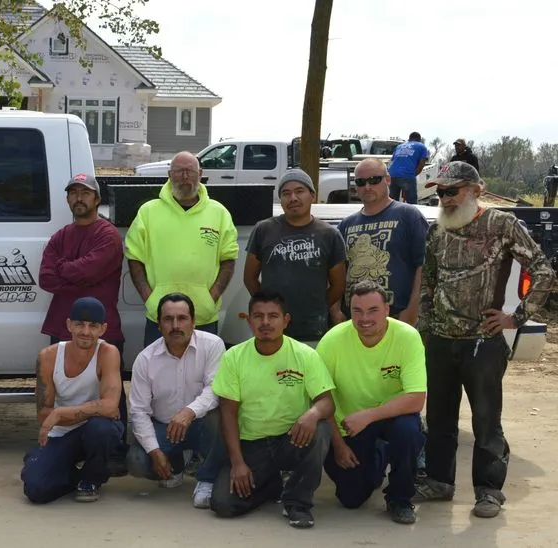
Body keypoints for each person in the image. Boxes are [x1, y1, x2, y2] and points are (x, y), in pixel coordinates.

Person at [415, 161, 556, 518]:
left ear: (476, 190)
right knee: (440, 418)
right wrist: (426, 326)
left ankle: (489, 491)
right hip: (441, 341)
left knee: (486, 421)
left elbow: (543, 271)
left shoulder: (502, 225)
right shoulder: (437, 231)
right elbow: (429, 281)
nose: (444, 198)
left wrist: (516, 318)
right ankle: (439, 482)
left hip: (484, 341)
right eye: (440, 192)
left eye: (452, 190)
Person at [210, 292, 335, 529]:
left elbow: (327, 402)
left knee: (321, 428)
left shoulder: (305, 355)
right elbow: (227, 413)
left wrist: (312, 413)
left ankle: (298, 503)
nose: (265, 322)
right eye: (258, 316)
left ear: (286, 320)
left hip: (292, 439)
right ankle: (271, 485)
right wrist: (238, 462)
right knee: (223, 504)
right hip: (252, 445)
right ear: (249, 321)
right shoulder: (234, 357)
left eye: (273, 316)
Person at [39, 173, 128, 474]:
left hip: (104, 328)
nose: (79, 197)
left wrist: (64, 269)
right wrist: (73, 274)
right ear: (67, 199)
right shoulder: (60, 236)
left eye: (85, 192)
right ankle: (62, 444)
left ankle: (115, 454)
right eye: (73, 192)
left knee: (111, 393)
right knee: (58, 389)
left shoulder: (108, 235)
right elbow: (45, 278)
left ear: (97, 199)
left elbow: (90, 269)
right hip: (62, 327)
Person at [317, 281, 426, 524]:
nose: (365, 318)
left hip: (389, 416)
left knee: (408, 430)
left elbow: (416, 398)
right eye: (357, 311)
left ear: (387, 309)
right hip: (348, 424)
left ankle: (400, 498)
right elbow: (321, 398)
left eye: (373, 310)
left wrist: (368, 416)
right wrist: (338, 445)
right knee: (351, 499)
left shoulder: (407, 337)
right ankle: (380, 454)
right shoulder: (332, 341)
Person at [125, 151, 239, 346]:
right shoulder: (148, 212)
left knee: (204, 376)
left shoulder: (219, 213)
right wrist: (150, 299)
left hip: (203, 317)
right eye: (179, 172)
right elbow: (135, 258)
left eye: (190, 171)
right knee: (157, 374)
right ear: (169, 175)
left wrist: (209, 299)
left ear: (200, 173)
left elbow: (228, 260)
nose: (185, 177)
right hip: (160, 318)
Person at [126, 293, 225, 509]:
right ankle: (177, 464)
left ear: (194, 321)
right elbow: (139, 411)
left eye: (182, 318)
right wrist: (155, 452)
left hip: (202, 424)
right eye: (168, 319)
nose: (175, 325)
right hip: (166, 428)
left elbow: (215, 389)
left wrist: (189, 412)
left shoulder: (212, 345)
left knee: (219, 415)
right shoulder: (145, 359)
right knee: (137, 461)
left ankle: (206, 479)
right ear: (159, 324)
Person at [22, 297, 124, 504]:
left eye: (93, 326)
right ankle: (68, 472)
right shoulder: (49, 356)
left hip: (95, 430)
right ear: (69, 324)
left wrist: (59, 413)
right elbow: (43, 414)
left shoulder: (108, 353)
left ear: (103, 329)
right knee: (36, 489)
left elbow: (111, 406)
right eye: (79, 324)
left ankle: (91, 479)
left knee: (101, 429)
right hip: (62, 433)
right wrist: (95, 410)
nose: (86, 332)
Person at [243, 169, 346, 344]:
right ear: (281, 200)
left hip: (313, 329)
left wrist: (318, 307)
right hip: (272, 329)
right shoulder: (263, 230)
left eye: (299, 191)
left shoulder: (329, 234)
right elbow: (249, 278)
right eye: (286, 193)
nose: (293, 198)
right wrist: (268, 307)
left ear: (312, 195)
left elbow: (339, 284)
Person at [335, 158, 429, 325]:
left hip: (397, 319)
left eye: (374, 180)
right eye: (361, 182)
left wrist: (412, 312)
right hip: (355, 321)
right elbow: (335, 272)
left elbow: (423, 267)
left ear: (387, 179)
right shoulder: (345, 225)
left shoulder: (409, 215)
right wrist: (335, 311)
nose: (368, 186)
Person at [387, 132, 429, 204]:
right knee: (412, 202)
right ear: (419, 139)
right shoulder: (421, 146)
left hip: (392, 174)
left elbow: (393, 160)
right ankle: (411, 215)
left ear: (409, 138)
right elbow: (421, 164)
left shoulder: (399, 146)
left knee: (392, 201)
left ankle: (391, 214)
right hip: (407, 175)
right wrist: (412, 175)